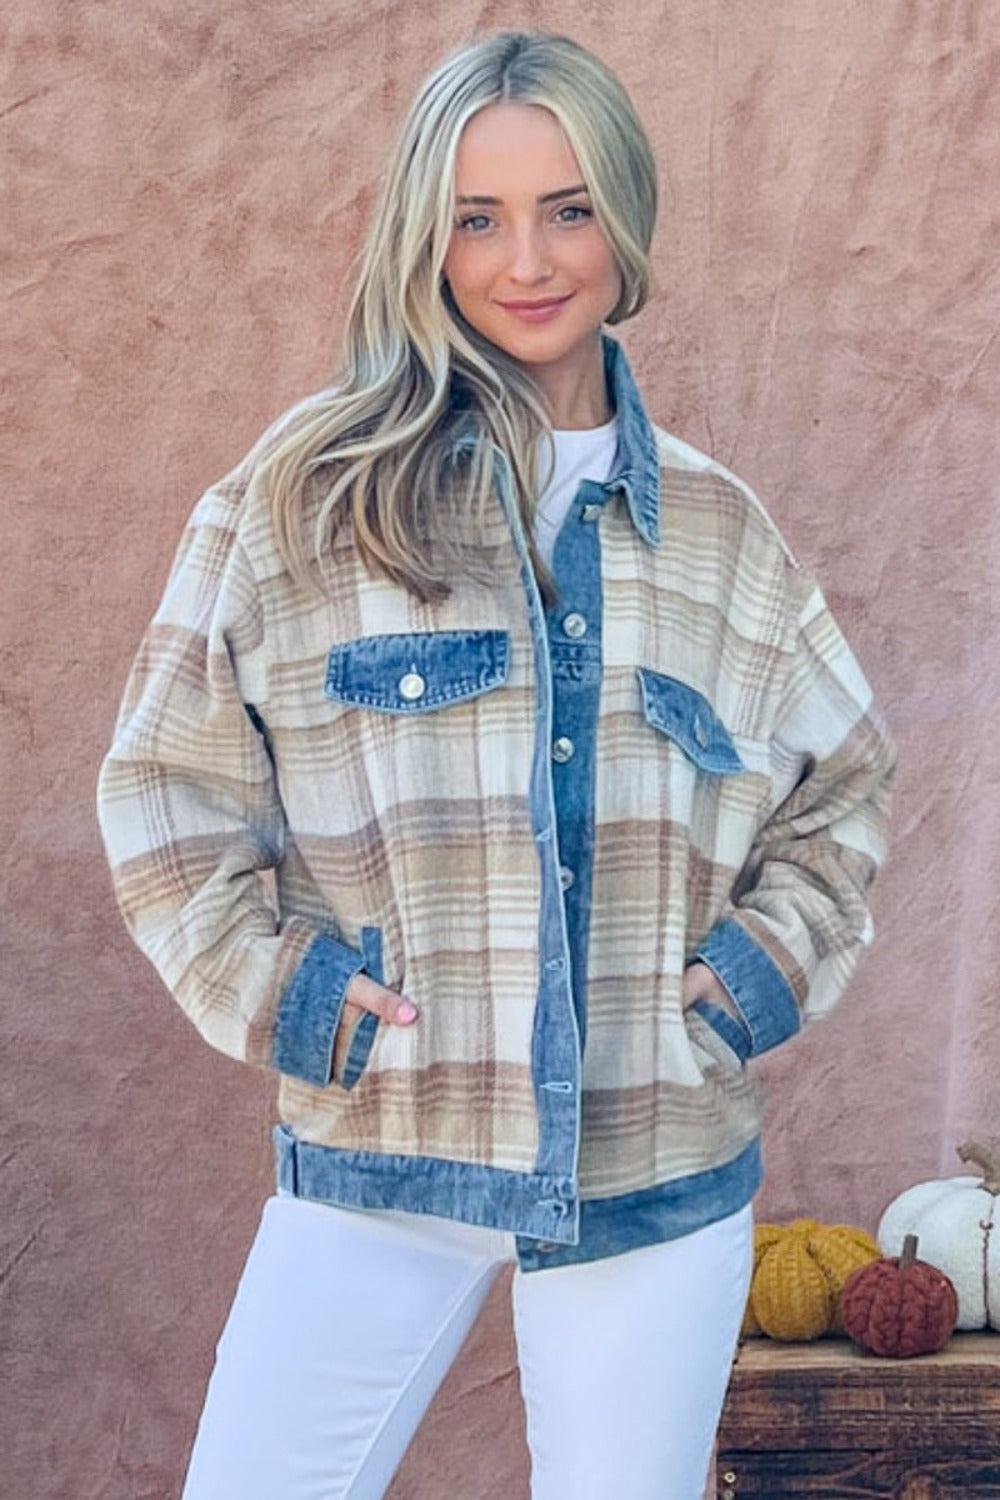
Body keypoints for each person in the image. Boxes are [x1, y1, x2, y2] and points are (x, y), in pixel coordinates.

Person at [97, 29, 894, 1500]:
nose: (525, 258)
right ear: (426, 234)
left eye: (568, 207)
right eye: (478, 216)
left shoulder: (722, 540)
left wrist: (754, 976)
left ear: (626, 221)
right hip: (388, 1143)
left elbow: (843, 792)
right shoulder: (306, 497)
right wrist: (301, 1002)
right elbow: (164, 792)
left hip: (652, 1167)